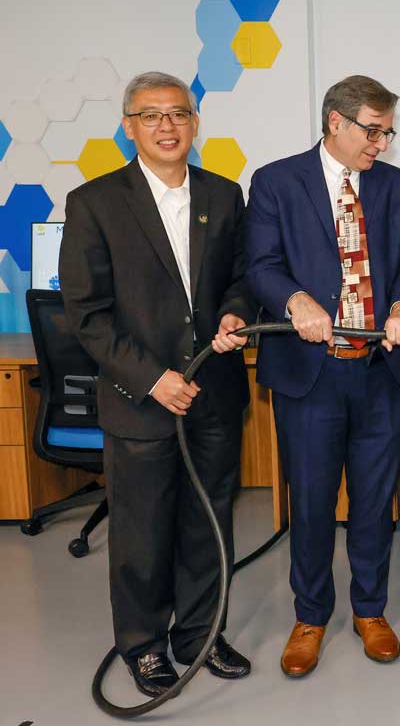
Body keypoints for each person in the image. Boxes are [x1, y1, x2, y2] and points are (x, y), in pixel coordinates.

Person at [59, 71, 255, 696]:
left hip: (214, 393)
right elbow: (87, 315)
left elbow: (244, 279)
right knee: (142, 530)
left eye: (178, 114)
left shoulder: (224, 196)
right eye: (151, 116)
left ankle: (199, 634)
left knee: (208, 521)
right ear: (129, 126)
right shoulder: (94, 204)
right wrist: (153, 380)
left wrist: (235, 313)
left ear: (196, 124)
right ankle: (142, 645)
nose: (167, 126)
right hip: (141, 400)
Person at [245, 75, 400, 677]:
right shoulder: (276, 182)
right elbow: (261, 265)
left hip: (378, 373)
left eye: (387, 132)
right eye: (372, 131)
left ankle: (370, 610)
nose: (381, 143)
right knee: (315, 501)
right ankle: (310, 617)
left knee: (375, 503)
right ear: (335, 122)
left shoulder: (396, 187)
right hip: (310, 376)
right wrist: (294, 300)